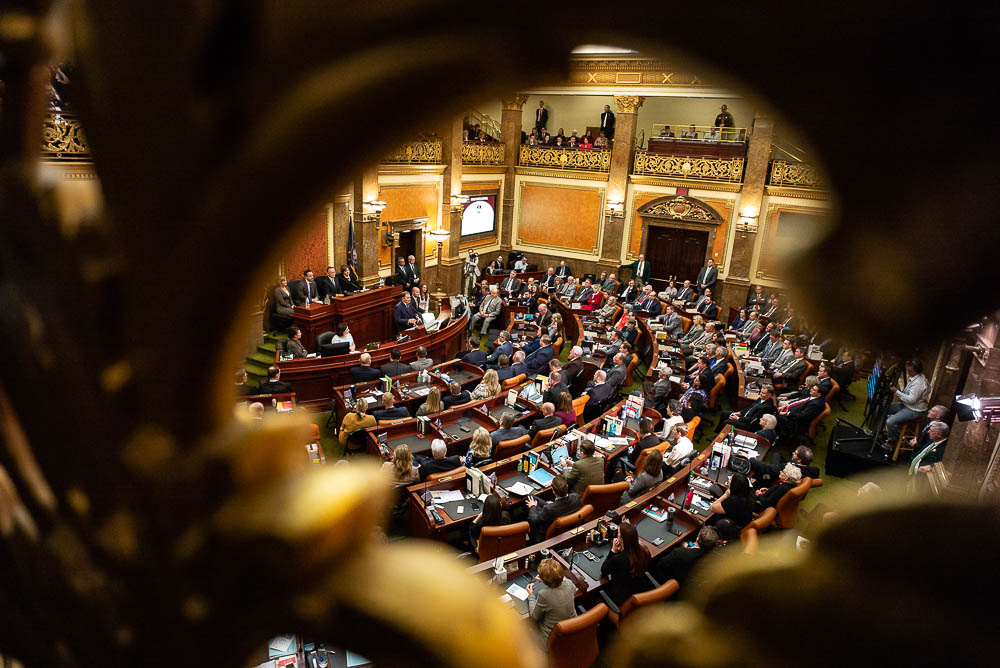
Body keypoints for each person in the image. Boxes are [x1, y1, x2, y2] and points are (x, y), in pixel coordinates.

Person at [526, 557, 576, 651]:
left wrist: (531, 595)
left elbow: (535, 617)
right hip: (572, 630)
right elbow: (571, 589)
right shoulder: (569, 583)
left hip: (551, 640)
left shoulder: (544, 594)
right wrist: (549, 579)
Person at [599, 521, 652, 609]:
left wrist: (613, 551)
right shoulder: (644, 551)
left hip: (622, 600)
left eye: (618, 534)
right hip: (640, 591)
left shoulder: (618, 559)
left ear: (622, 539)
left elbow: (604, 570)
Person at [526, 475, 581, 543]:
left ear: (553, 491)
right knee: (531, 497)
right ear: (567, 486)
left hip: (546, 531)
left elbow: (534, 520)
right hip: (565, 522)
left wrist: (532, 506)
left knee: (529, 499)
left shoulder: (549, 509)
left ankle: (530, 538)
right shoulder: (576, 497)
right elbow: (564, 505)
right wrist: (554, 504)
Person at [886, 360, 930, 444]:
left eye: (910, 371)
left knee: (890, 421)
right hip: (907, 406)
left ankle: (893, 441)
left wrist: (896, 391)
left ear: (917, 370)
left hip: (914, 410)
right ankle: (885, 432)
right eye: (907, 370)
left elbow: (911, 400)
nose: (908, 372)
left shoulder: (919, 383)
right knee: (884, 408)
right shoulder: (915, 377)